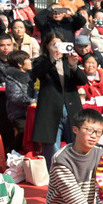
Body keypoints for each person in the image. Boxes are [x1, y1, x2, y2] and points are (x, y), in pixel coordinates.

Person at [43, 108, 103, 204]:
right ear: (75, 129)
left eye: (98, 132)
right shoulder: (61, 158)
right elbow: (71, 193)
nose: (93, 135)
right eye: (89, 130)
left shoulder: (101, 155)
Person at [31, 33, 87, 165]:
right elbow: (37, 73)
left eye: (59, 45)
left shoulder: (69, 61)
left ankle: (75, 169)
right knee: (51, 144)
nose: (57, 48)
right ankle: (54, 172)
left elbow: (83, 80)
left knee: (75, 140)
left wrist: (74, 66)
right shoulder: (41, 61)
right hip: (50, 108)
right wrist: (52, 59)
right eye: (53, 45)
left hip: (70, 107)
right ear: (47, 46)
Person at [3, 50, 35, 152]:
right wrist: (32, 101)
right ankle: (12, 150)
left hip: (34, 110)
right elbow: (15, 97)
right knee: (24, 130)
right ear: (20, 64)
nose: (30, 62)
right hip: (19, 113)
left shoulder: (32, 76)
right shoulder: (11, 78)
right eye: (28, 60)